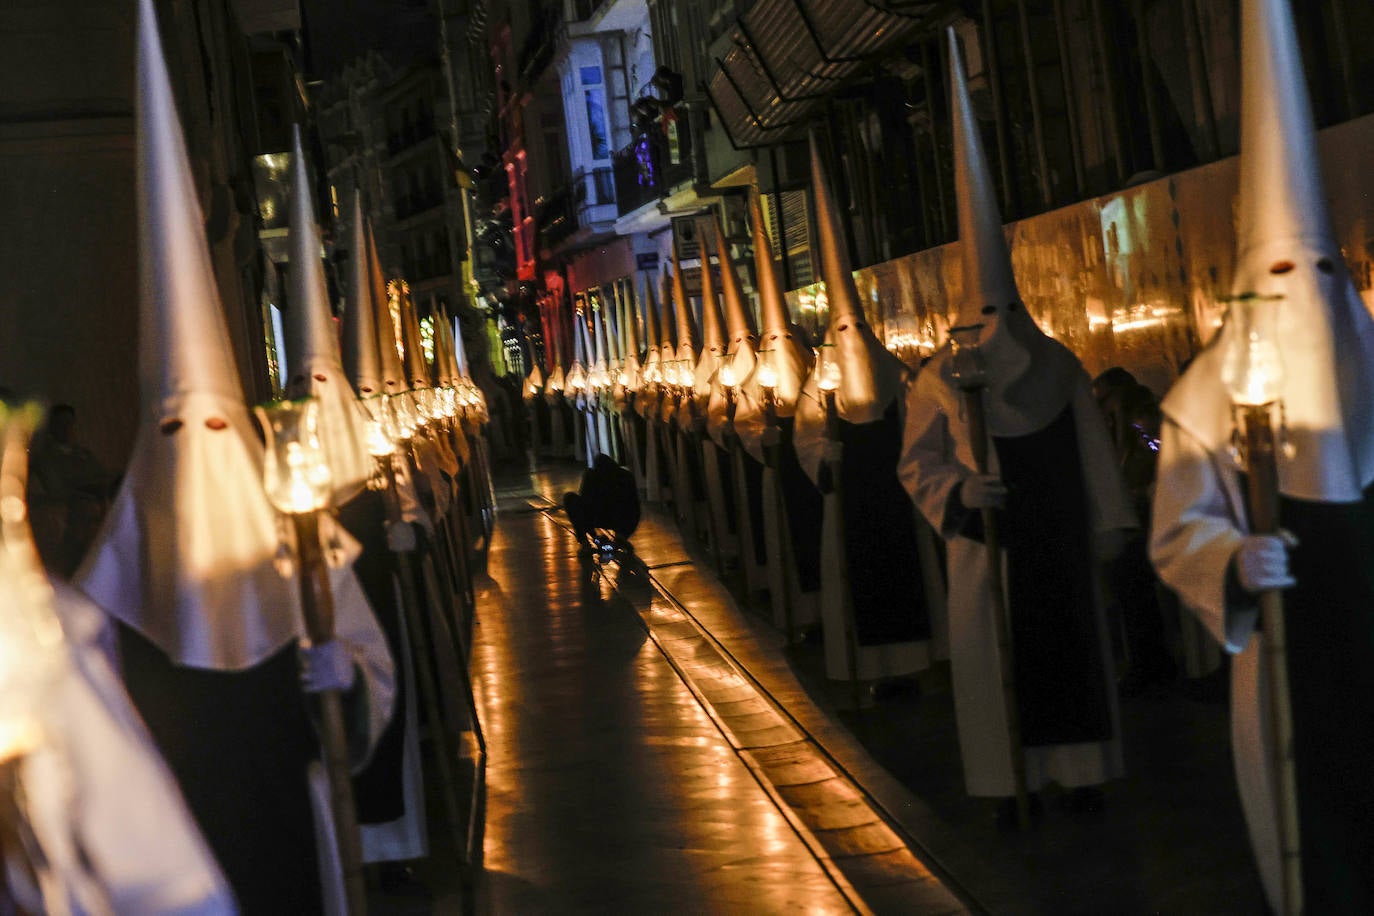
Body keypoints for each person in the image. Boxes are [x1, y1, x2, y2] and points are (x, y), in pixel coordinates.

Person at [78, 7, 395, 910]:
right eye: (176, 435)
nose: (200, 458)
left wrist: (353, 683)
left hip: (291, 831)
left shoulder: (307, 564)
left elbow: (374, 673)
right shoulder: (103, 606)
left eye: (216, 432)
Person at [1151, 0, 1374, 909]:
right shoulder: (1210, 394)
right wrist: (1234, 561)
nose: (1303, 299)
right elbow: (1179, 533)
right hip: (1288, 655)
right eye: (1278, 277)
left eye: (1318, 273)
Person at [899, 29, 1134, 822]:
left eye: (1009, 310)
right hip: (987, 549)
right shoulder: (938, 378)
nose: (999, 327)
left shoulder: (1061, 365)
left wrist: (1107, 522)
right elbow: (916, 464)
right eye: (985, 311)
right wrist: (964, 492)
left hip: (1057, 541)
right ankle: (1008, 784)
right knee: (995, 659)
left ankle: (1080, 772)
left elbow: (1095, 452)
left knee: (1070, 654)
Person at [793, 132, 936, 695]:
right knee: (862, 581)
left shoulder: (895, 373)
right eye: (841, 331)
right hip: (849, 497)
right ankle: (874, 671)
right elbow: (806, 441)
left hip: (896, 495)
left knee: (904, 579)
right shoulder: (817, 383)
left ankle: (914, 663)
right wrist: (825, 457)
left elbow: (921, 418)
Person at [563, 453, 640, 556]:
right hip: (618, 517)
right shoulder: (626, 476)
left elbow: (586, 502)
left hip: (597, 515)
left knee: (569, 498)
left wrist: (593, 535)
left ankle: (585, 543)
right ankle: (621, 537)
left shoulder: (592, 476)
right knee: (631, 507)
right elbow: (635, 507)